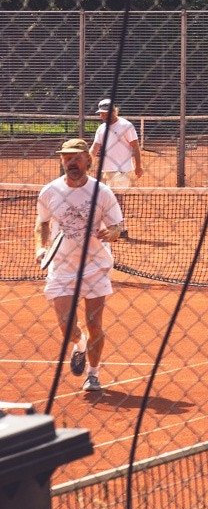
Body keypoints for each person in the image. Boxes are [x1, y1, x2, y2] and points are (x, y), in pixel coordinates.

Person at [36, 138, 126, 393]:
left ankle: (93, 374)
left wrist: (113, 233)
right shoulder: (49, 191)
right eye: (66, 157)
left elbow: (117, 225)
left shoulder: (102, 192)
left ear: (88, 159)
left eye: (76, 157)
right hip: (62, 267)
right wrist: (40, 248)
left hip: (94, 266)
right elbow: (41, 223)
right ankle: (80, 343)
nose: (71, 162)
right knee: (66, 325)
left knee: (94, 322)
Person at [90, 98, 143, 190]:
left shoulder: (126, 126)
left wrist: (138, 166)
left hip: (122, 169)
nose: (104, 116)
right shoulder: (101, 128)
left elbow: (135, 146)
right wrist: (86, 162)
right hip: (106, 169)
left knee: (116, 197)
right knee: (108, 198)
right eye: (102, 113)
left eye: (107, 113)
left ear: (114, 111)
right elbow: (95, 148)